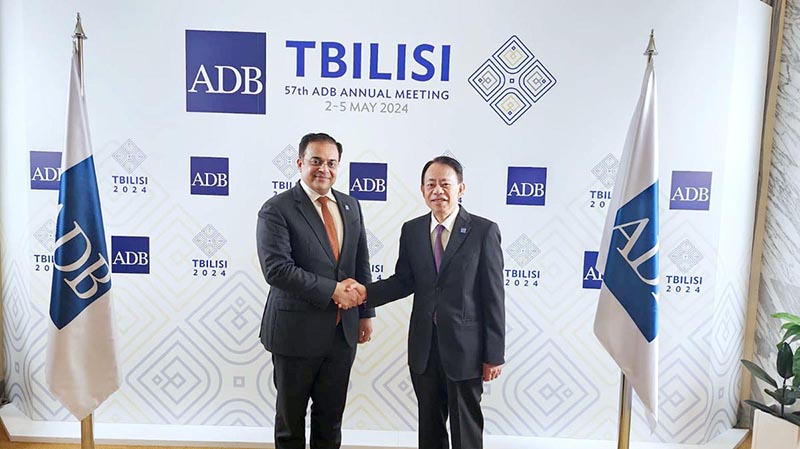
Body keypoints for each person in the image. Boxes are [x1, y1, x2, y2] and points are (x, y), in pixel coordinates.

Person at [345, 156, 505, 449]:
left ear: (461, 188)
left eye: (445, 184)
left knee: (466, 430)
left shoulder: (484, 231)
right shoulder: (413, 230)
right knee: (429, 429)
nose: (437, 190)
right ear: (422, 190)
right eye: (431, 184)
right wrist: (364, 293)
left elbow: (493, 296)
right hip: (424, 347)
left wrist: (494, 354)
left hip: (466, 350)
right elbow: (403, 281)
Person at [256, 132, 373, 449]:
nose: (324, 169)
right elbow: (277, 269)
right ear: (300, 163)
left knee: (330, 421)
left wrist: (365, 313)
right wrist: (333, 290)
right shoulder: (277, 209)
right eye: (316, 161)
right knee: (290, 423)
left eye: (331, 163)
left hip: (342, 333)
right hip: (295, 333)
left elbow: (360, 262)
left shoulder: (350, 205)